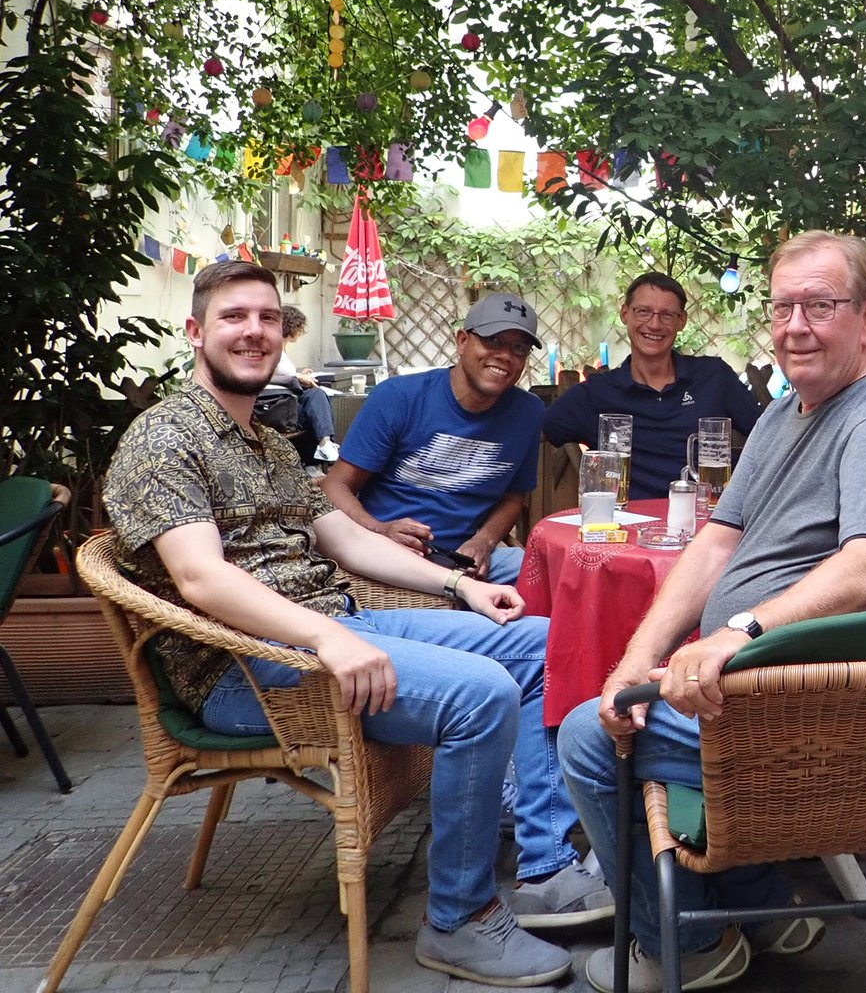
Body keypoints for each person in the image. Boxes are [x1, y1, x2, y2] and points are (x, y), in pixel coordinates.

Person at [100, 261, 612, 987]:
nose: (254, 332)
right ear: (195, 332)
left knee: (539, 644)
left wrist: (459, 584)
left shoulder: (264, 440)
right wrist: (326, 637)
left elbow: (342, 537)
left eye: (268, 318)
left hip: (330, 622)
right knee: (481, 695)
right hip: (245, 668)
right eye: (234, 317)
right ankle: (459, 918)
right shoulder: (164, 438)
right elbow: (201, 579)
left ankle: (546, 865)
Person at [557, 231, 866, 993]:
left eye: (820, 306)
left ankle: (686, 944)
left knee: (586, 740)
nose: (796, 326)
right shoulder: (783, 412)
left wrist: (737, 633)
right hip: (758, 697)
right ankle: (764, 908)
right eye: (782, 307)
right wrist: (637, 659)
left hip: (824, 720)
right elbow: (715, 543)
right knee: (620, 700)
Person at [323, 295, 544, 586]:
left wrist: (484, 541)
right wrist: (377, 530)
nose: (505, 355)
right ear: (462, 341)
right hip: (387, 554)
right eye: (493, 340)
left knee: (552, 573)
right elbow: (334, 485)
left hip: (463, 560)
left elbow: (514, 498)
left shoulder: (528, 412)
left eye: (519, 348)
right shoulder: (399, 397)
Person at [542, 273, 762, 500]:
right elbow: (538, 429)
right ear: (625, 313)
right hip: (627, 518)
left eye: (667, 315)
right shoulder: (597, 393)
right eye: (643, 312)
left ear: (682, 321)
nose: (654, 324)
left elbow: (768, 435)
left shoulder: (713, 377)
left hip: (707, 515)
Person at [257, 305, 340, 464]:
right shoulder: (270, 349)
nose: (301, 332)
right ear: (290, 326)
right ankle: (324, 447)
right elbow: (263, 375)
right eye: (300, 327)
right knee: (316, 398)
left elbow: (281, 373)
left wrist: (298, 375)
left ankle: (323, 448)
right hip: (274, 406)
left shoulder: (281, 349)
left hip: (284, 403)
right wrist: (296, 378)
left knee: (316, 405)